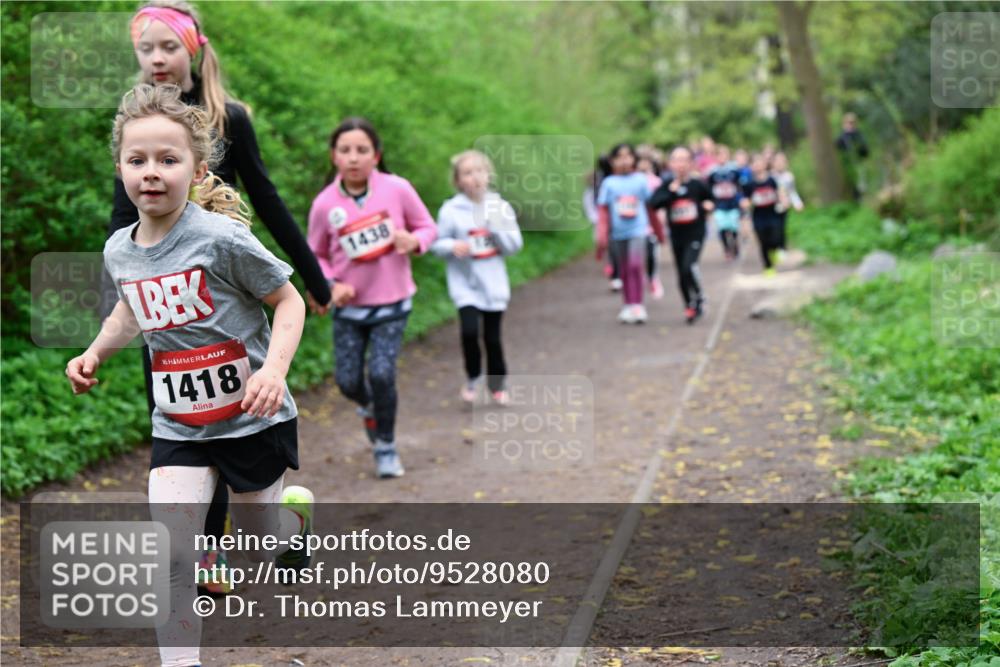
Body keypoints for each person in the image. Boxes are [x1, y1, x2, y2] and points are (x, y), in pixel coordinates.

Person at [67, 84, 313, 667]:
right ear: (121, 168)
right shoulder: (119, 251)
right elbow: (132, 307)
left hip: (251, 418)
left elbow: (290, 302)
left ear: (196, 168)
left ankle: (290, 519)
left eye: (168, 159)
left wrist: (273, 372)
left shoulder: (221, 238)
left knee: (258, 550)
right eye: (137, 160)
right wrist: (96, 352)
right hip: (178, 426)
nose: (151, 172)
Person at [111, 1, 332, 593]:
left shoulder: (229, 117)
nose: (157, 58)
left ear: (194, 49)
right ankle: (208, 553)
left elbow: (266, 196)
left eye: (168, 46)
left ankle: (283, 520)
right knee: (186, 424)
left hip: (226, 293)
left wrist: (311, 277)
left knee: (237, 433)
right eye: (146, 48)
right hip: (159, 292)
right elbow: (119, 218)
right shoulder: (133, 122)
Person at [307, 117, 437, 479]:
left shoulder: (397, 189)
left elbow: (427, 226)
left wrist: (415, 241)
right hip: (349, 309)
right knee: (348, 382)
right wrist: (331, 282)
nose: (353, 158)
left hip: (393, 304)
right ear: (334, 156)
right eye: (345, 150)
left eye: (362, 150)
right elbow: (314, 253)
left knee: (381, 373)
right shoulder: (324, 204)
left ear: (376, 156)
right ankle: (369, 407)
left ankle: (386, 446)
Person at [431, 150, 523, 405]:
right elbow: (436, 243)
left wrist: (496, 230)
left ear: (488, 175)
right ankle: (473, 377)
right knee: (470, 332)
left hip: (493, 284)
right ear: (458, 180)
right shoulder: (451, 210)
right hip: (464, 285)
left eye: (479, 171)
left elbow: (515, 245)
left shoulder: (500, 207)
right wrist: (452, 246)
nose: (475, 178)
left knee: (492, 338)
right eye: (467, 173)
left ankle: (497, 384)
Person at [595, 143, 665, 324]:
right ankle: (627, 304)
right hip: (618, 234)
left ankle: (638, 305)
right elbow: (603, 212)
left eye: (628, 156)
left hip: (638, 231)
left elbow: (650, 208)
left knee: (635, 266)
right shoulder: (609, 183)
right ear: (612, 161)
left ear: (634, 159)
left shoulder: (641, 180)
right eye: (620, 157)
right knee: (624, 270)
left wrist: (659, 232)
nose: (624, 161)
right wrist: (601, 237)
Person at [650, 146, 714, 324]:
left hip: (696, 233)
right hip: (677, 235)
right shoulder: (667, 185)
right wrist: (671, 191)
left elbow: (711, 198)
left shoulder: (698, 184)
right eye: (677, 160)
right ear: (670, 163)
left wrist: (708, 205)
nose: (681, 164)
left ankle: (699, 297)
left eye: (684, 160)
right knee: (681, 273)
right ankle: (689, 305)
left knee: (688, 266)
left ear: (691, 163)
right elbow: (654, 203)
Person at [741, 153, 790, 277]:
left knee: (775, 236)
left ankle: (776, 250)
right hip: (758, 216)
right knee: (763, 241)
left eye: (759, 163)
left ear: (765, 164)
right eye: (754, 163)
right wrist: (745, 205)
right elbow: (745, 200)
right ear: (751, 166)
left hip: (773, 213)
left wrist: (784, 200)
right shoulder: (749, 184)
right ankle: (768, 266)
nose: (757, 166)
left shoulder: (772, 179)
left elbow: (780, 191)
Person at [636, 153, 665, 299]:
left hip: (652, 225)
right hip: (635, 224)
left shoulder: (656, 182)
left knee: (652, 254)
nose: (643, 164)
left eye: (645, 161)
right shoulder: (631, 180)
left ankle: (653, 278)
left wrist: (661, 220)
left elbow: (661, 204)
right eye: (640, 160)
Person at [707, 145, 743, 260]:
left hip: (732, 204)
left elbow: (740, 186)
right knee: (722, 228)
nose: (722, 157)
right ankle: (727, 248)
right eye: (719, 154)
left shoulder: (734, 170)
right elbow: (708, 188)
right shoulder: (712, 172)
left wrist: (741, 199)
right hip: (719, 205)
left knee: (733, 228)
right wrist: (710, 201)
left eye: (724, 154)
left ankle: (735, 246)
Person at [771, 151, 804, 256]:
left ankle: (781, 248)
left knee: (780, 227)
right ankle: (773, 246)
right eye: (777, 161)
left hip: (783, 206)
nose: (780, 163)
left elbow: (792, 192)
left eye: (782, 161)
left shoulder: (789, 176)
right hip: (770, 206)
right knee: (772, 228)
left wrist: (797, 203)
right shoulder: (770, 176)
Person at [835, 112, 869, 200]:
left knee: (861, 186)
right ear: (844, 124)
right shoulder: (841, 138)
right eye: (849, 123)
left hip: (858, 163)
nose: (851, 125)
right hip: (847, 166)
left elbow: (865, 151)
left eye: (853, 123)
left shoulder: (859, 135)